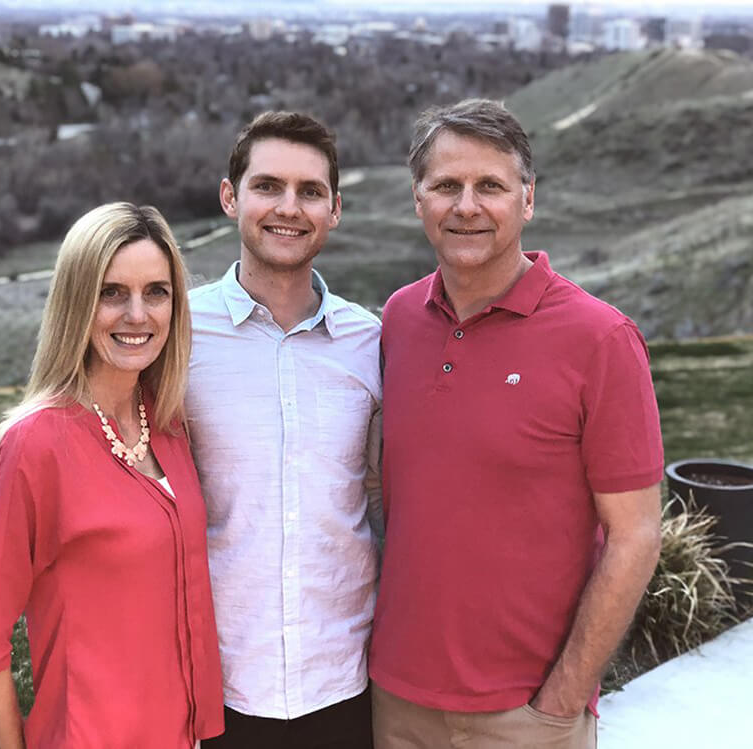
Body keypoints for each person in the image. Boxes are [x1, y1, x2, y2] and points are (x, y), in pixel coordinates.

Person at [369, 99, 664, 749]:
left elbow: (635, 536)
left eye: (490, 187)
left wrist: (558, 703)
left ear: (526, 201)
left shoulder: (600, 338)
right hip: (393, 696)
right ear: (417, 199)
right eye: (445, 185)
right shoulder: (396, 320)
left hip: (526, 715)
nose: (466, 205)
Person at [0, 202, 224, 748]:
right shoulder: (37, 444)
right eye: (111, 292)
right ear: (77, 301)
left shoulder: (168, 424)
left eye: (156, 292)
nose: (137, 315)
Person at [187, 112, 382, 749]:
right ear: (230, 197)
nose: (288, 208)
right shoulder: (176, 335)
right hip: (215, 681)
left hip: (347, 684)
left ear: (335, 209)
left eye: (310, 191)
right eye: (268, 185)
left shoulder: (371, 342)